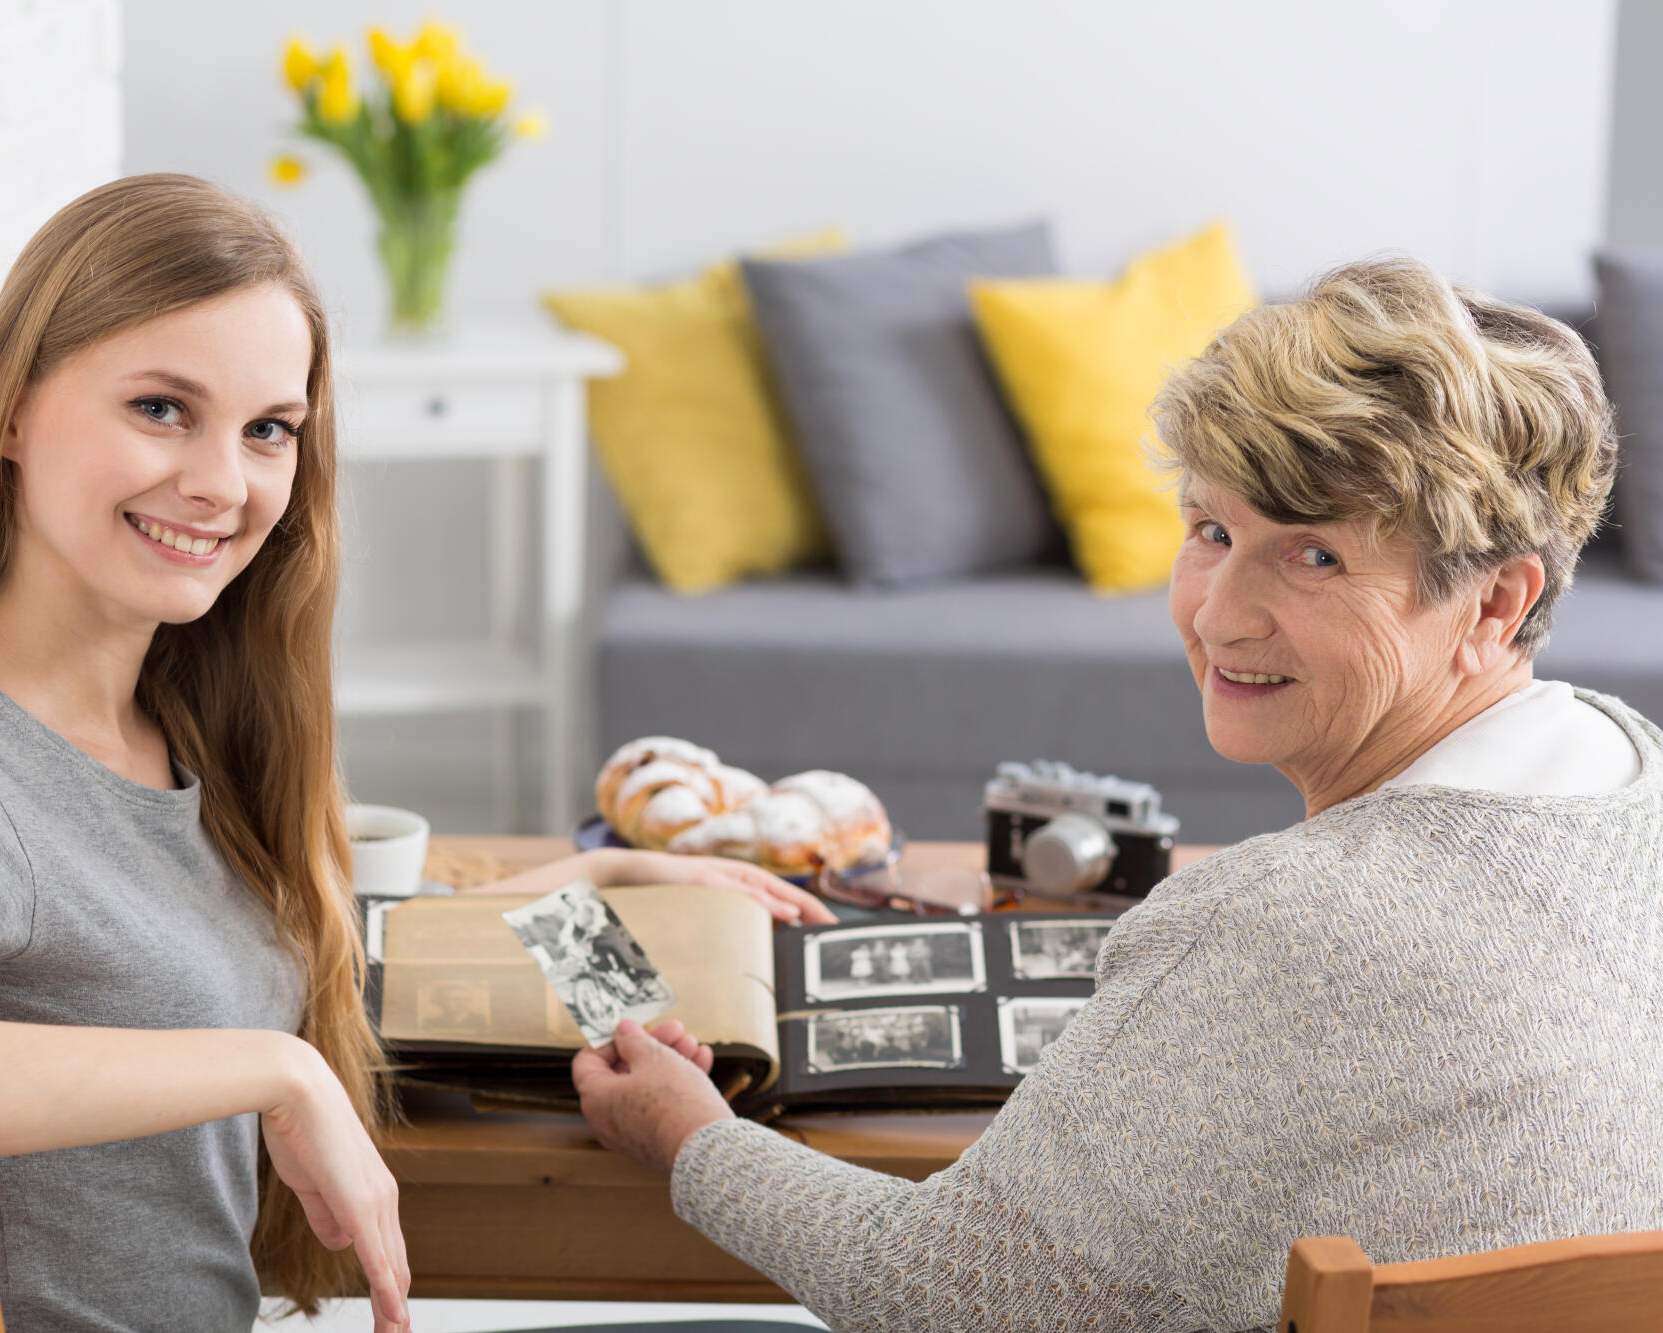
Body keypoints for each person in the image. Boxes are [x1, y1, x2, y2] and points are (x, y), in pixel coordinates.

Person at [0, 172, 829, 1333]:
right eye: (160, 408)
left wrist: (594, 878)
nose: (222, 484)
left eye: (267, 431)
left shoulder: (169, 718)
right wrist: (275, 1071)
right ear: (12, 413)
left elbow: (265, 952)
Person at [572, 255, 1663, 1332]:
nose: (1217, 615)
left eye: (1314, 558)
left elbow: (938, 1296)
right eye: (1211, 531)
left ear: (1494, 603)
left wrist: (689, 1134)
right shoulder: (1636, 770)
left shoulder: (1287, 923)